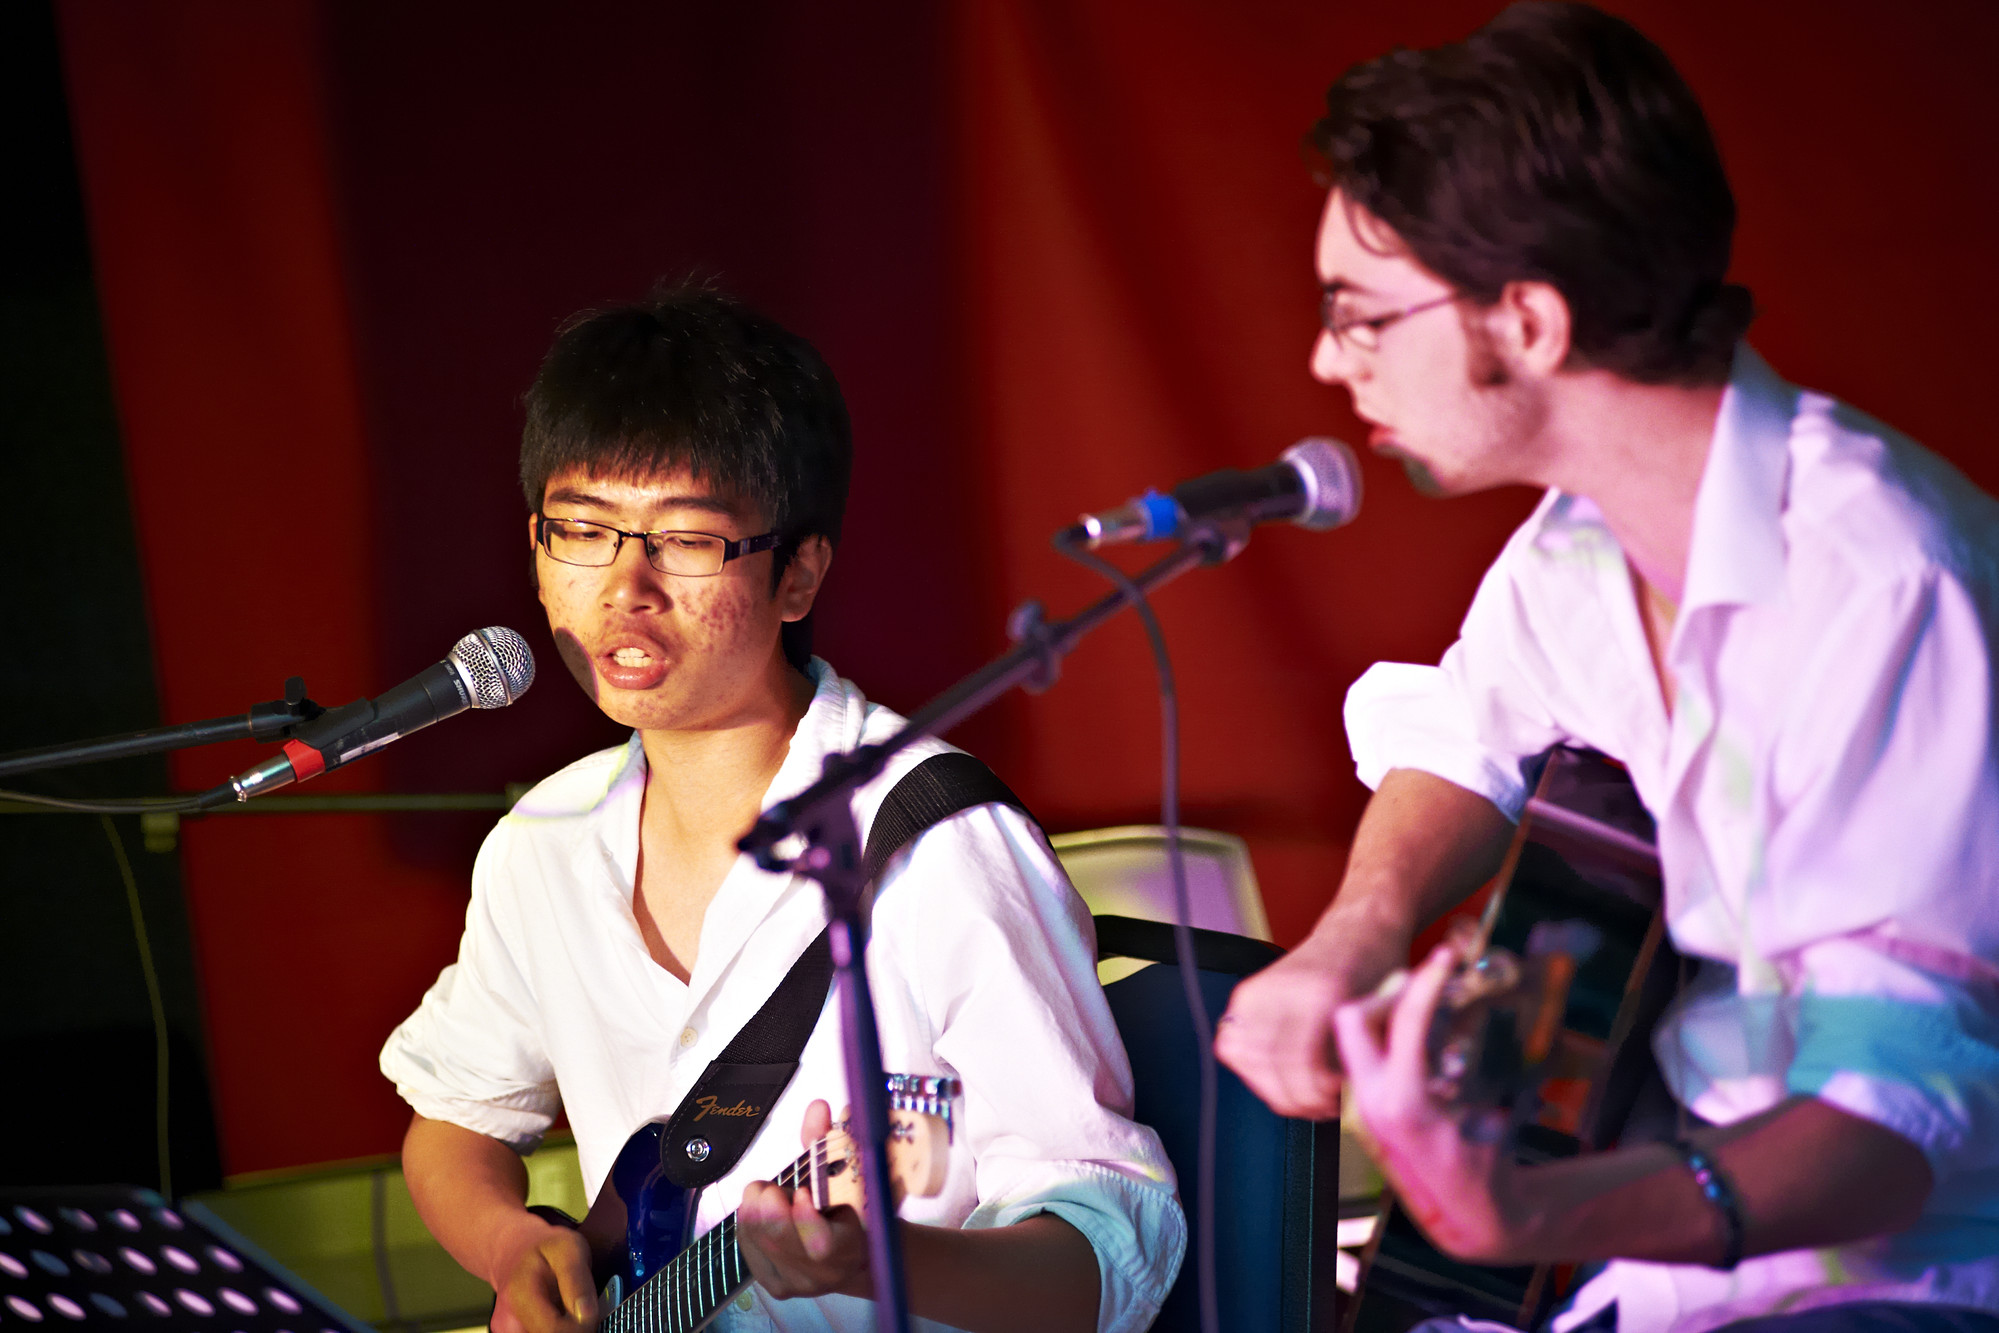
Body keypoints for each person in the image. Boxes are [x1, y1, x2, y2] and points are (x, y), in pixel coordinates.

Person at [1213, 5, 1999, 1331]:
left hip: (1917, 1268)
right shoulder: (1572, 549)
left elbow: (1888, 1123)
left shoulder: (1886, 583)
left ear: (1521, 321)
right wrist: (1353, 933)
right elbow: (1467, 736)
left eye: (1357, 315)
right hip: (1676, 1239)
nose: (1321, 358)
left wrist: (1531, 1217)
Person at [380, 281, 1184, 1333]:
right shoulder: (542, 841)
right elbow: (451, 1120)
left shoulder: (936, 842)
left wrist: (882, 1265)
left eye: (686, 540)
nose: (625, 587)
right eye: (582, 531)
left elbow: (1118, 1245)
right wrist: (515, 1243)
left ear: (797, 575)